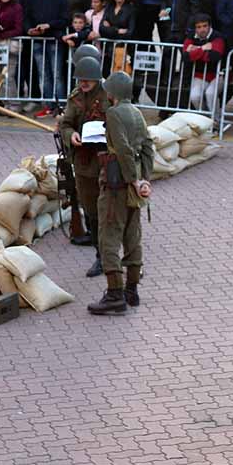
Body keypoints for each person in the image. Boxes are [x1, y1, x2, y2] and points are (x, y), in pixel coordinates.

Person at [87, 71, 154, 315]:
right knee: (132, 235)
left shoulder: (114, 114)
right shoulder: (137, 112)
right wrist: (145, 178)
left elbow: (124, 150)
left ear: (113, 92)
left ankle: (115, 293)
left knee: (109, 236)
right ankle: (132, 290)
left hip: (116, 184)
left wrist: (133, 180)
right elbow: (147, 146)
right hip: (133, 181)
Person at [60, 55, 109, 278]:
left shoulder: (109, 95)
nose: (83, 84)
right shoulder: (75, 97)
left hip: (106, 160)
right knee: (90, 208)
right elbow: (66, 123)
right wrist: (71, 135)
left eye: (87, 80)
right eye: (81, 80)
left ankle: (110, 256)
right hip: (82, 161)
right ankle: (100, 253)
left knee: (109, 210)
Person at [25, 0, 69, 111]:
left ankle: (61, 104)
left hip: (54, 40)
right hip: (38, 40)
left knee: (57, 74)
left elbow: (65, 19)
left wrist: (49, 25)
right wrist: (29, 30)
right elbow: (27, 17)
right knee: (43, 75)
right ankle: (48, 104)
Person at [183, 13, 224, 113]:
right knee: (195, 96)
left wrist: (195, 51)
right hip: (199, 75)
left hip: (218, 74)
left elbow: (214, 57)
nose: (202, 29)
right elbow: (186, 57)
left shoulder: (218, 37)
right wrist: (203, 48)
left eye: (205, 26)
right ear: (195, 28)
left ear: (210, 26)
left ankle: (216, 122)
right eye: (199, 27)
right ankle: (205, 120)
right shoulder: (191, 36)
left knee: (210, 94)